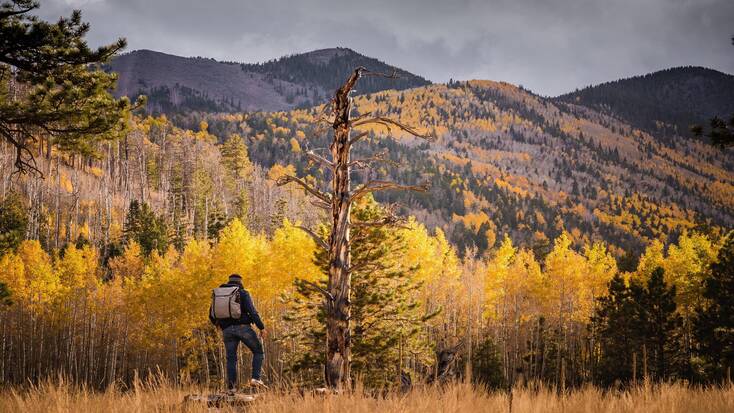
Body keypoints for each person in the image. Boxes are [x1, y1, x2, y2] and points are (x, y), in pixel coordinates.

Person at [209, 274, 267, 391]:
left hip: (227, 330)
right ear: (240, 282)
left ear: (229, 281)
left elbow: (211, 314)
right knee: (258, 351)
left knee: (231, 358)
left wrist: (218, 324)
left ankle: (232, 388)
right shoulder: (243, 293)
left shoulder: (219, 294)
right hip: (243, 327)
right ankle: (255, 378)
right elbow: (253, 312)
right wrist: (261, 327)